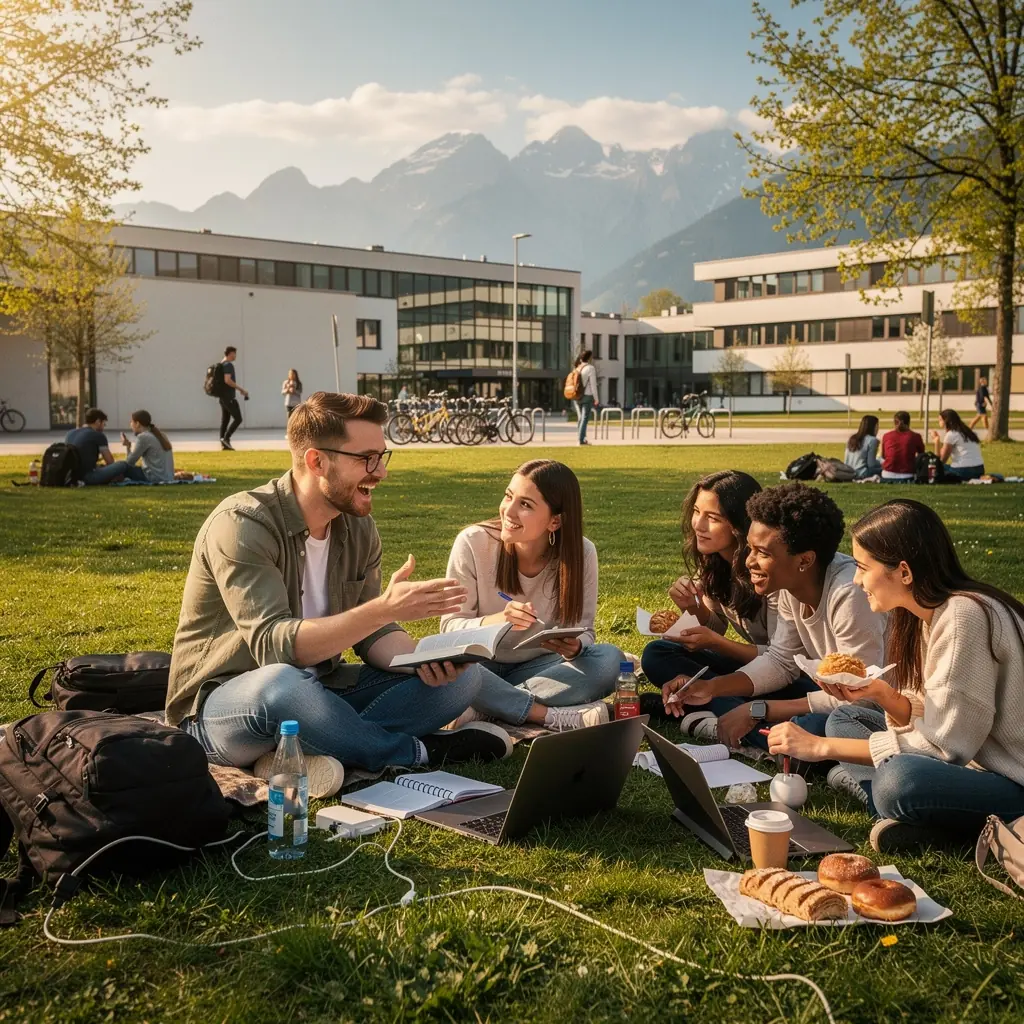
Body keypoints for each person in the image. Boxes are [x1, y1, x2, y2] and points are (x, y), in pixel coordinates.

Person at [167, 391, 510, 795]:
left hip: (321, 693)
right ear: (316, 461)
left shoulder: (358, 527)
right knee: (284, 685)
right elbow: (276, 649)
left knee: (462, 683)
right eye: (366, 458)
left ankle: (304, 751)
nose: (380, 472)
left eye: (382, 456)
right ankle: (416, 752)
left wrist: (423, 662)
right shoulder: (243, 524)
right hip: (226, 706)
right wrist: (381, 610)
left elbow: (371, 633)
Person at [766, 499, 1024, 852]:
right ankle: (920, 823)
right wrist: (882, 695)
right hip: (971, 763)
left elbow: (943, 748)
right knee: (845, 718)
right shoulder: (924, 615)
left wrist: (819, 748)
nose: (856, 580)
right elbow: (929, 718)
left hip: (1011, 778)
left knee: (897, 780)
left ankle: (946, 827)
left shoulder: (965, 616)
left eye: (862, 567)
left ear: (904, 571)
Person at [659, 483, 888, 754]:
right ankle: (742, 728)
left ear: (804, 560)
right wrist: (710, 687)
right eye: (750, 549)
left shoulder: (849, 594)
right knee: (660, 654)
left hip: (872, 712)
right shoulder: (794, 583)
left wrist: (758, 709)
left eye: (763, 553)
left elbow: (861, 699)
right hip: (827, 696)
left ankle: (729, 727)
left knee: (818, 727)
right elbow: (781, 661)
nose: (748, 562)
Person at [441, 460, 622, 731]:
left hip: (540, 667)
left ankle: (488, 708)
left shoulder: (582, 554)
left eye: (525, 505)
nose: (508, 511)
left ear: (555, 521)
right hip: (478, 669)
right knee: (445, 667)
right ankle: (544, 715)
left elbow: (585, 632)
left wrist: (576, 647)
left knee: (611, 660)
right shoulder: (472, 542)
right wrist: (497, 619)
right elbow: (449, 629)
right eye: (509, 496)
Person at [640, 471, 778, 726]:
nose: (698, 525)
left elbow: (781, 660)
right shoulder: (715, 561)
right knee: (656, 653)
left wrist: (717, 644)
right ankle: (711, 707)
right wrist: (694, 609)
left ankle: (735, 718)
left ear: (739, 525)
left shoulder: (769, 569)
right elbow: (717, 626)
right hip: (751, 669)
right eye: (696, 511)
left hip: (786, 673)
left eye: (712, 518)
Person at [65, 408, 131, 485]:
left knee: (101, 466)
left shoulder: (70, 433)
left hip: (71, 476)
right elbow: (110, 462)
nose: (104, 427)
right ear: (98, 422)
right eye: (104, 424)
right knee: (122, 465)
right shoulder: (98, 435)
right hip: (88, 477)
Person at [119, 410, 175, 483]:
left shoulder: (143, 437)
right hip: (168, 477)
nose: (130, 425)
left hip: (154, 478)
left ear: (137, 423)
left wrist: (128, 447)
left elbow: (129, 463)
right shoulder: (162, 435)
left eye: (132, 422)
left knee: (121, 467)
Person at [930, 408, 984, 481]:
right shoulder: (969, 432)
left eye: (940, 420)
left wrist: (936, 441)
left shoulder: (951, 434)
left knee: (932, 467)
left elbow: (941, 461)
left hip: (963, 471)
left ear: (946, 421)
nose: (938, 422)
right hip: (979, 470)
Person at [218, 345, 248, 450]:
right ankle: (226, 438)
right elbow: (227, 380)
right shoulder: (228, 365)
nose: (235, 356)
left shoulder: (221, 364)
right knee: (238, 418)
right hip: (229, 397)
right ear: (230, 353)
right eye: (234, 353)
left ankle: (223, 443)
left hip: (222, 397)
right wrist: (241, 389)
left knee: (225, 420)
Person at [880, 411, 924, 482]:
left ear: (894, 423)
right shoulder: (915, 436)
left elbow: (884, 456)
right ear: (909, 422)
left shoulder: (886, 436)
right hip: (908, 474)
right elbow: (921, 455)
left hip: (887, 474)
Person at [843, 415, 882, 479]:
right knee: (887, 470)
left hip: (849, 472)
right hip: (862, 473)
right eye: (877, 426)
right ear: (873, 427)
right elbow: (871, 464)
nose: (878, 429)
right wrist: (881, 463)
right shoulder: (873, 440)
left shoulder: (852, 438)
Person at [577, 350, 599, 445]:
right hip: (587, 396)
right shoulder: (590, 368)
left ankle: (581, 438)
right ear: (589, 358)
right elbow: (593, 385)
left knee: (581, 418)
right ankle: (581, 440)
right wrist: (596, 398)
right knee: (585, 418)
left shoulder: (578, 368)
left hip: (578, 396)